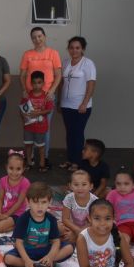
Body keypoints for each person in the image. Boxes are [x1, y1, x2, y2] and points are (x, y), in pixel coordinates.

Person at [3, 182, 74, 267]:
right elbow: (18, 243)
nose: (40, 206)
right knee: (8, 258)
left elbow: (56, 241)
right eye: (36, 202)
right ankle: (34, 265)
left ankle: (46, 262)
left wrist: (50, 256)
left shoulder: (51, 219)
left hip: (45, 250)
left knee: (69, 247)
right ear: (28, 202)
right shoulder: (23, 219)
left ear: (50, 201)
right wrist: (26, 260)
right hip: (27, 251)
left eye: (44, 202)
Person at [19, 27, 62, 168]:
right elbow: (23, 75)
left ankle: (45, 158)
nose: (37, 39)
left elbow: (58, 75)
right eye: (34, 37)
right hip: (30, 97)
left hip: (47, 97)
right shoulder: (27, 54)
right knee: (30, 125)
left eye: (39, 36)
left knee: (45, 128)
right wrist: (25, 90)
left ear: (44, 36)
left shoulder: (53, 53)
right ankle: (29, 158)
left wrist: (52, 91)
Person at [59, 36, 97, 171]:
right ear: (68, 49)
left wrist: (84, 103)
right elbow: (61, 83)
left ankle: (78, 162)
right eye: (71, 48)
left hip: (81, 106)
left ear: (82, 49)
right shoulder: (65, 63)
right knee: (70, 133)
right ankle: (70, 159)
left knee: (78, 133)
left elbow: (91, 84)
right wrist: (59, 101)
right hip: (66, 105)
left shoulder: (88, 64)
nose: (74, 50)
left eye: (77, 48)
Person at [0, 150, 30, 233]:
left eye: (18, 169)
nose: (14, 172)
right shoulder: (3, 180)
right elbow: (0, 198)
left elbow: (19, 203)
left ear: (23, 169)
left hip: (17, 213)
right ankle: (5, 221)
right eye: (11, 168)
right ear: (6, 167)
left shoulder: (25, 183)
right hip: (4, 210)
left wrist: (7, 215)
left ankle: (20, 224)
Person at [20, 71, 53, 173]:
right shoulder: (27, 96)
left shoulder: (46, 96)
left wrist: (38, 113)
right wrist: (24, 116)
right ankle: (29, 163)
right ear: (31, 83)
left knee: (41, 146)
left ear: (43, 83)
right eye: (34, 82)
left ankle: (42, 164)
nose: (36, 85)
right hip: (28, 127)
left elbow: (49, 110)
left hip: (41, 127)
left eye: (39, 82)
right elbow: (22, 109)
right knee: (28, 145)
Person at [61, 170, 98, 243]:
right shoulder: (69, 198)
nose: (80, 188)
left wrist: (80, 232)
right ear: (70, 186)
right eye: (76, 184)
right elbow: (65, 219)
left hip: (89, 227)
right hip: (72, 226)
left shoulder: (95, 201)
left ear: (91, 186)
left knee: (97, 230)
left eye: (84, 184)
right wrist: (76, 230)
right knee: (59, 229)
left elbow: (94, 221)